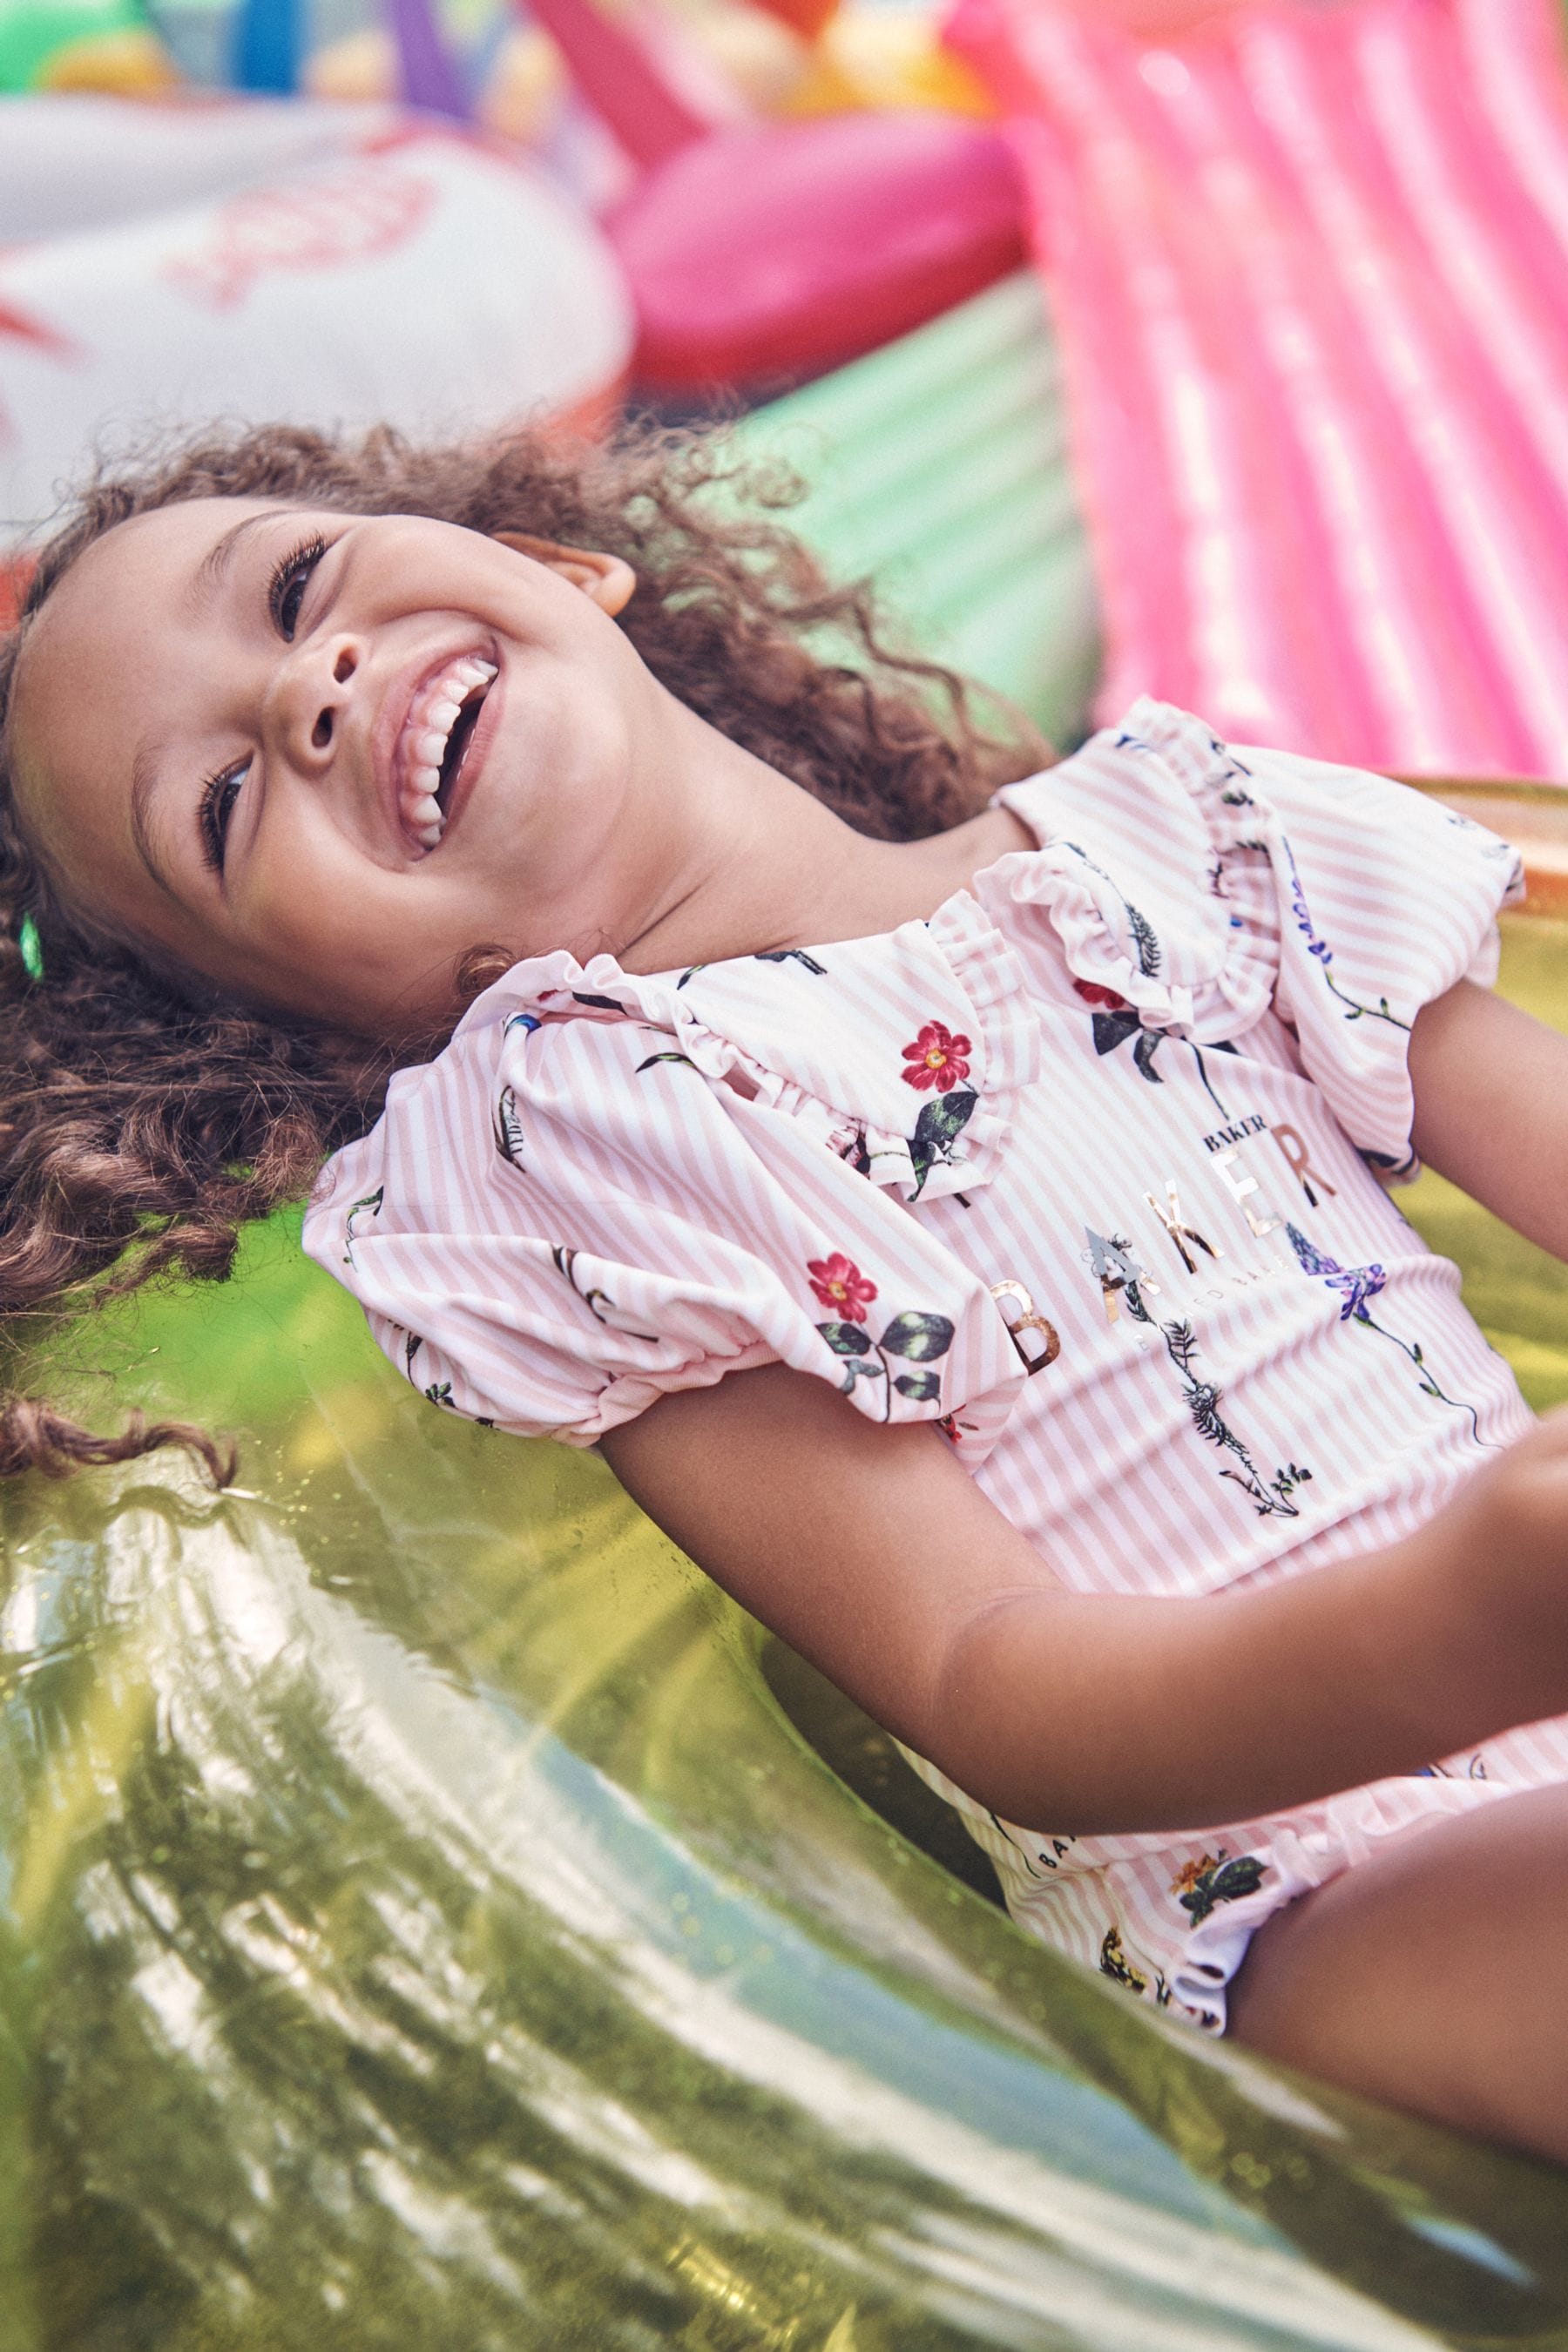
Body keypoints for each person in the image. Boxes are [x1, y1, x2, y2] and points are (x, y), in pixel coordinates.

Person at [5, 422, 1568, 2167]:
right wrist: (1464, 1623)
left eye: (297, 587)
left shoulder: (1185, 843)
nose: (309, 693)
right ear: (303, 1018)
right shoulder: (589, 1146)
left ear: (561, 568)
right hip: (1304, 1901)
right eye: (220, 810)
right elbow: (990, 1683)